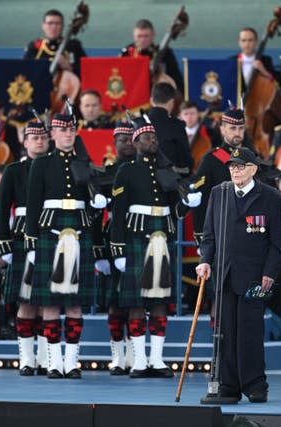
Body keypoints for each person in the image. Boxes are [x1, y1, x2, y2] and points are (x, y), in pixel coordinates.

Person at [110, 116, 198, 378]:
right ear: (136, 142)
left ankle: (157, 360)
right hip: (137, 238)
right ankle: (139, 360)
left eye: (155, 138)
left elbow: (176, 210)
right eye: (148, 137)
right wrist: (117, 249)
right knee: (137, 302)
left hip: (163, 235)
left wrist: (188, 204)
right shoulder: (125, 171)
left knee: (160, 301)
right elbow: (118, 212)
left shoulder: (166, 171)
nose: (153, 141)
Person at [196, 147, 281, 404]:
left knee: (250, 331)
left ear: (253, 169)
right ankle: (228, 385)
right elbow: (209, 235)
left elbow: (276, 243)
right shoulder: (219, 193)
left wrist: (270, 273)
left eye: (240, 165)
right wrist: (205, 261)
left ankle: (256, 384)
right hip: (224, 275)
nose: (235, 170)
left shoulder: (270, 197)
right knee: (225, 333)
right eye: (232, 166)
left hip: (256, 277)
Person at [24, 112, 104, 379]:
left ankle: (71, 362)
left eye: (72, 130)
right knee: (50, 303)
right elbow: (33, 204)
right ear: (53, 134)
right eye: (64, 130)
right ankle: (53, 362)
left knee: (74, 303)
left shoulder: (85, 162)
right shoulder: (42, 164)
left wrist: (98, 205)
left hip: (79, 231)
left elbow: (94, 204)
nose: (69, 134)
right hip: (50, 231)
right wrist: (32, 242)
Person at [0, 121, 50, 376]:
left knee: (46, 301)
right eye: (34, 137)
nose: (39, 141)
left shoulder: (57, 169)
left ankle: (46, 358)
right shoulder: (14, 170)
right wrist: (3, 242)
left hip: (50, 235)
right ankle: (27, 359)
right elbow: (2, 207)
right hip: (21, 238)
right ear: (25, 142)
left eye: (43, 137)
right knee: (26, 301)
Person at [93, 122, 137, 375]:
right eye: (122, 138)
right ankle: (117, 356)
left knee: (136, 300)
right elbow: (96, 217)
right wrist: (99, 250)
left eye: (132, 137)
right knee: (115, 301)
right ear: (114, 142)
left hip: (139, 238)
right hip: (113, 241)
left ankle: (134, 354)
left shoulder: (145, 170)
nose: (128, 142)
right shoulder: (105, 174)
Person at [192, 107, 250, 246]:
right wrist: (202, 235)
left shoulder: (253, 158)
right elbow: (201, 198)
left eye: (241, 128)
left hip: (250, 231)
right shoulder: (211, 160)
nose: (237, 133)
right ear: (222, 129)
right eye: (232, 128)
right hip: (221, 232)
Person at [120, 19, 184, 92]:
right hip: (133, 95)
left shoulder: (164, 54)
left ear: (153, 35)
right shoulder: (126, 53)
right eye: (139, 36)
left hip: (157, 95)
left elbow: (176, 78)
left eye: (146, 36)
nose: (143, 40)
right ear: (134, 36)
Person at [24, 9, 87, 77]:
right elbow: (25, 73)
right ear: (43, 26)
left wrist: (69, 68)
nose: (54, 27)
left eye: (57, 23)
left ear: (62, 26)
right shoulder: (34, 46)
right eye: (50, 23)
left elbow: (87, 74)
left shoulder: (74, 46)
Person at [147, 83, 193, 175]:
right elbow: (185, 162)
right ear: (172, 102)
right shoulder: (177, 125)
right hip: (171, 182)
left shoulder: (141, 122)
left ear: (151, 101)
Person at [236, 27, 277, 94]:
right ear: (239, 43)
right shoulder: (233, 61)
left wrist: (263, 70)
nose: (247, 44)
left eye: (250, 40)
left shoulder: (266, 61)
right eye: (243, 40)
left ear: (256, 42)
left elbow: (277, 86)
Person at [179, 101, 217, 173]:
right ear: (180, 116)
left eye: (192, 113)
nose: (189, 117)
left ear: (198, 114)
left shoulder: (210, 133)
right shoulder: (175, 134)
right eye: (186, 114)